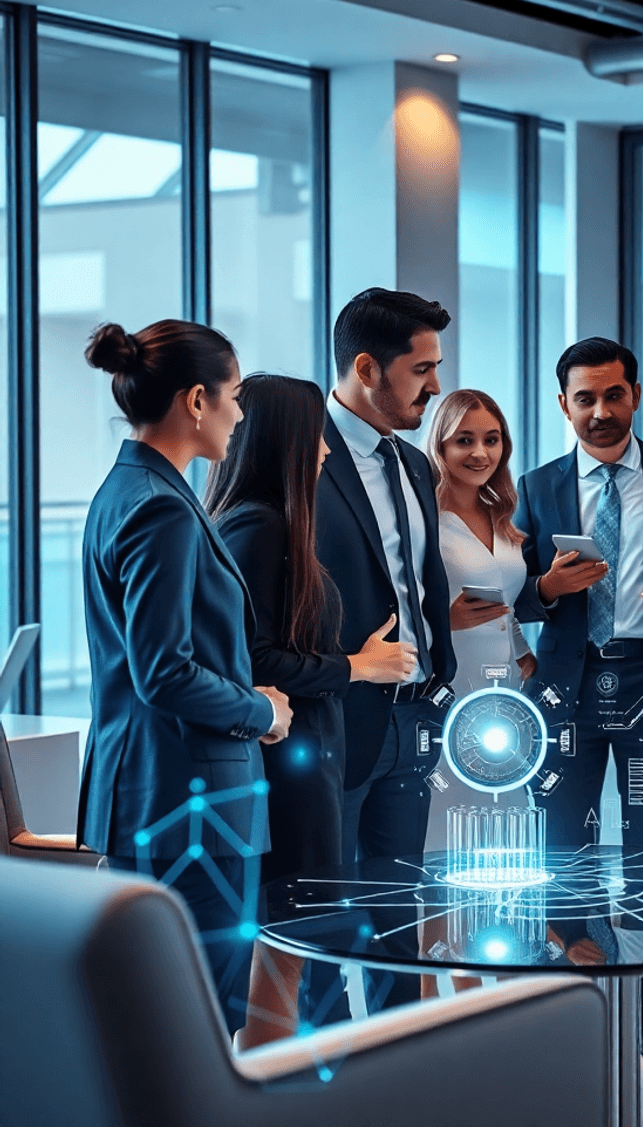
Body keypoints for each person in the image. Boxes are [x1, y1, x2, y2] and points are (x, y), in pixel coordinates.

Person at [78, 319, 292, 1038]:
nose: (239, 414)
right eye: (233, 396)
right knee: (189, 1018)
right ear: (196, 400)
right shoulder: (161, 508)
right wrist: (260, 712)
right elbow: (163, 671)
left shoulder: (129, 489)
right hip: (188, 800)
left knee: (160, 1013)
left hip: (156, 792)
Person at [514, 337, 643, 1061]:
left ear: (635, 395)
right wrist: (548, 588)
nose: (600, 412)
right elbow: (515, 592)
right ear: (563, 404)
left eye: (613, 395)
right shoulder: (538, 486)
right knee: (563, 838)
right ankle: (575, 982)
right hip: (566, 682)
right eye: (585, 398)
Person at [206, 374, 415, 1045]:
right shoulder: (258, 527)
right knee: (290, 947)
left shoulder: (273, 523)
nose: (327, 449)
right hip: (287, 770)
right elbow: (253, 659)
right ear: (288, 442)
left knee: (298, 945)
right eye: (318, 436)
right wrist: (357, 666)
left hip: (304, 763)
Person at [313, 287, 458, 1016]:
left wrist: (440, 681)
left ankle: (397, 1064)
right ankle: (321, 1080)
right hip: (335, 724)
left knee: (401, 911)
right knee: (327, 914)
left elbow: (420, 583)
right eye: (422, 370)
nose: (435, 386)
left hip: (414, 719)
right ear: (367, 368)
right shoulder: (296, 457)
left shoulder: (412, 464)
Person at [427, 389, 537, 698]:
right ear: (440, 446)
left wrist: (525, 657)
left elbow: (505, 609)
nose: (480, 453)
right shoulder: (422, 522)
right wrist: (444, 622)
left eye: (491, 440)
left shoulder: (502, 518)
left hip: (508, 690)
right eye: (464, 440)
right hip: (444, 691)